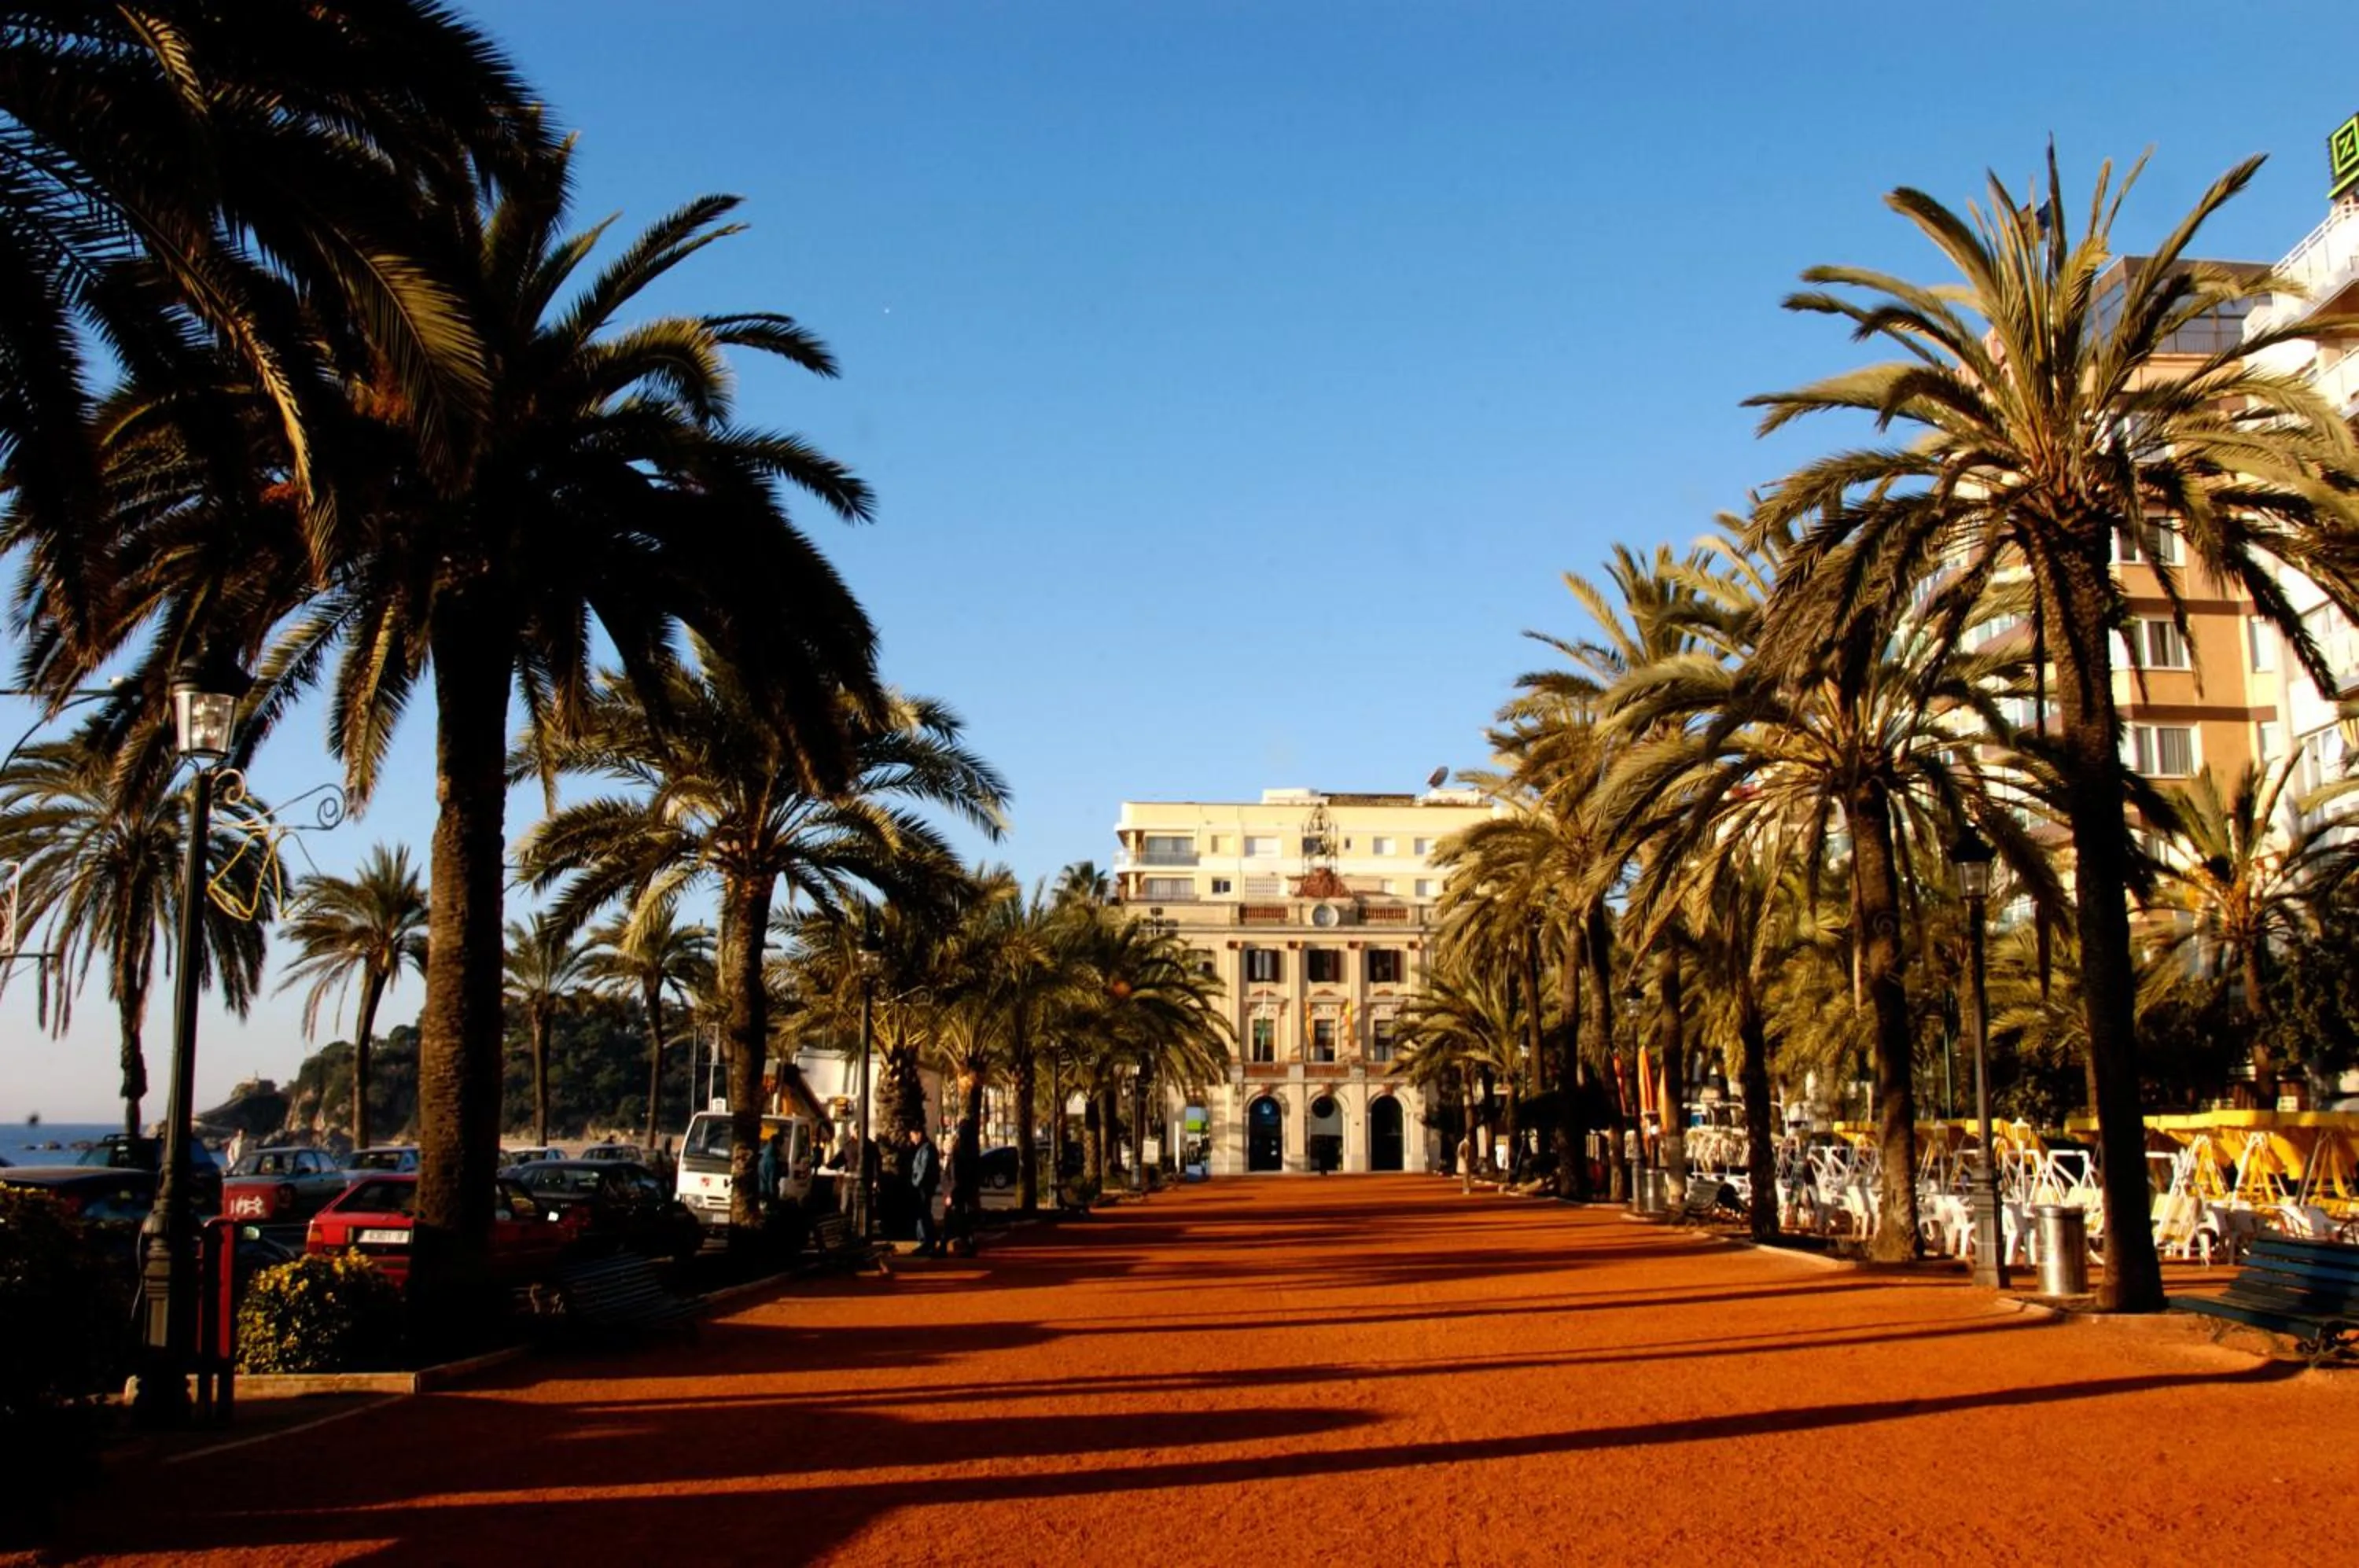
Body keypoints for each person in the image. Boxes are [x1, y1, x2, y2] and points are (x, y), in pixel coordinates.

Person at [907, 1126, 941, 1255]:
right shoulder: (924, 1148)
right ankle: (926, 1241)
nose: (912, 1139)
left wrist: (916, 1184)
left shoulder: (927, 1149)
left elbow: (923, 1169)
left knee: (923, 1214)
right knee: (923, 1213)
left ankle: (927, 1242)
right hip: (924, 1186)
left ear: (919, 1134)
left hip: (924, 1187)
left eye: (912, 1136)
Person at [757, 1129, 783, 1216]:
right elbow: (772, 1181)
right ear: (778, 1145)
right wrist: (773, 1196)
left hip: (760, 1189)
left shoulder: (762, 1155)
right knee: (768, 1215)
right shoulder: (772, 1160)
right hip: (767, 1193)